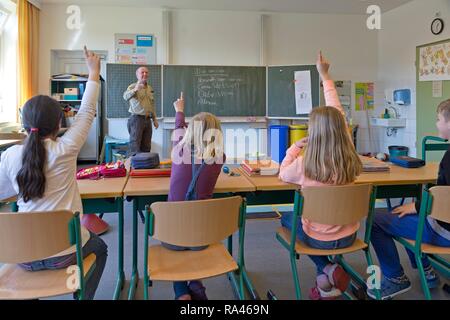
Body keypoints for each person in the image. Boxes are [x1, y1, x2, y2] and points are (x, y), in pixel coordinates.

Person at [0, 46, 107, 300]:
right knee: (100, 249)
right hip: (66, 253)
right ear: (59, 124)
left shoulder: (10, 156)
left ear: (24, 124)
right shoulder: (66, 149)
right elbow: (87, 112)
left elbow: (4, 194)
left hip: (23, 254)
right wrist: (93, 73)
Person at [278, 51, 363, 300]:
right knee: (305, 222)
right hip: (350, 235)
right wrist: (325, 76)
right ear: (341, 129)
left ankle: (327, 268)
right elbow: (337, 112)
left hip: (319, 241)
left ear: (313, 132)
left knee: (287, 218)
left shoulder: (305, 163)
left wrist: (294, 148)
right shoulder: (349, 155)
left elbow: (283, 173)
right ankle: (325, 283)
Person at [368, 99, 450, 300]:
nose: (436, 123)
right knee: (403, 211)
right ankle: (426, 269)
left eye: (439, 119)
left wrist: (418, 206)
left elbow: (443, 200)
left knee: (377, 219)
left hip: (444, 232)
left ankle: (396, 279)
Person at [164, 92, 225, 300]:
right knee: (192, 232)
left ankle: (182, 293)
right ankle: (197, 285)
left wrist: (179, 111)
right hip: (202, 236)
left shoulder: (178, 149)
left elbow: (178, 130)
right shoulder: (219, 157)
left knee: (177, 236)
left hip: (171, 236)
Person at [123, 67, 159, 155]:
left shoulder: (149, 88)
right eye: (142, 72)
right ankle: (135, 167)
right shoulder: (132, 86)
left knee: (146, 146)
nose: (145, 74)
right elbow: (125, 97)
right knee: (135, 146)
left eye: (146, 72)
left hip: (148, 120)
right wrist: (135, 89)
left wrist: (154, 119)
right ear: (137, 74)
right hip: (136, 119)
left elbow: (151, 105)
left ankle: (144, 167)